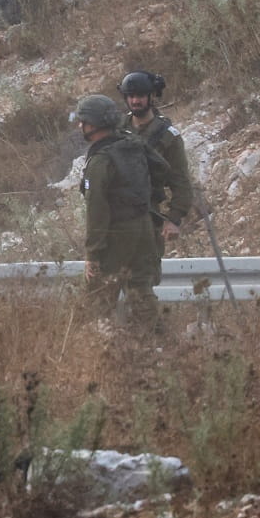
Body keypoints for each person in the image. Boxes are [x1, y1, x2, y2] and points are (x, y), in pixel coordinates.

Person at [72, 94, 171, 335]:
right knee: (140, 292)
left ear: (93, 124)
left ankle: (94, 352)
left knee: (98, 297)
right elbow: (163, 171)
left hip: (117, 234)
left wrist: (93, 254)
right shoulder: (132, 144)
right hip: (144, 227)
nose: (79, 125)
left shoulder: (100, 161)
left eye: (82, 121)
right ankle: (158, 347)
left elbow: (97, 211)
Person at [117, 71, 196, 291]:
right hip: (117, 218)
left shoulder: (168, 136)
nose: (135, 100)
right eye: (130, 95)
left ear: (151, 96)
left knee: (142, 283)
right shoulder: (117, 130)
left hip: (147, 218)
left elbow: (180, 182)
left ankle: (147, 325)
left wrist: (174, 218)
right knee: (109, 283)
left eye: (140, 95)